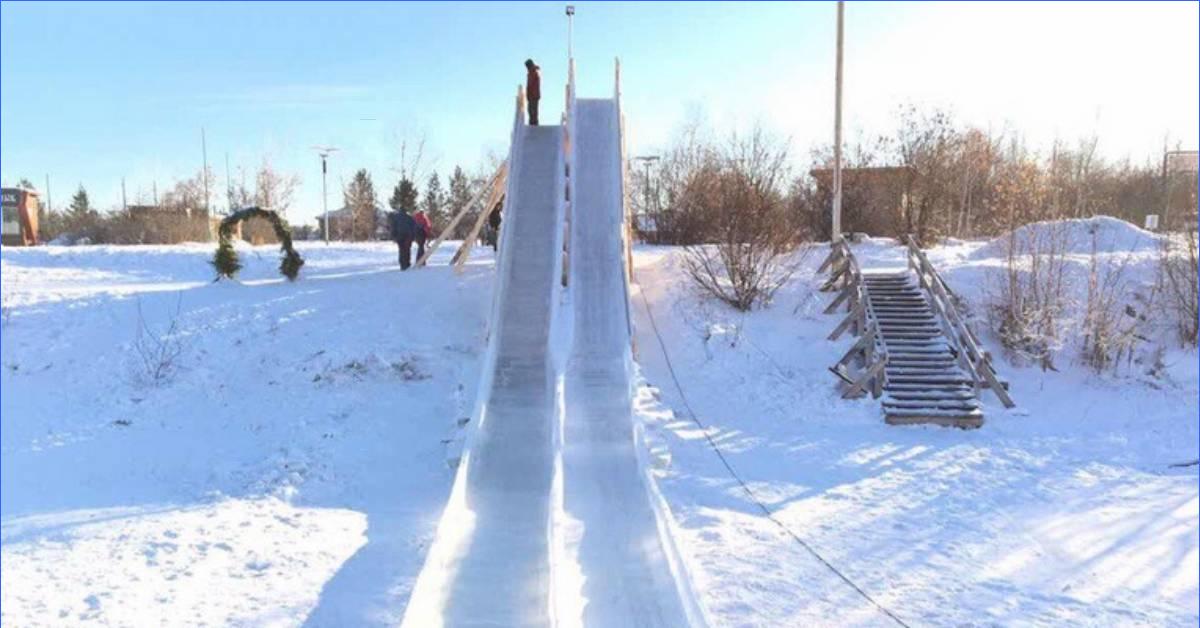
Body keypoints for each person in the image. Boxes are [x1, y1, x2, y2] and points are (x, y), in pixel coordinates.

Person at [525, 59, 540, 126]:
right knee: (532, 110)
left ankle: (533, 124)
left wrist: (528, 94)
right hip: (533, 95)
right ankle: (533, 123)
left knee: (532, 110)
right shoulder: (532, 72)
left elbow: (530, 85)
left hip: (533, 95)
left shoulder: (533, 72)